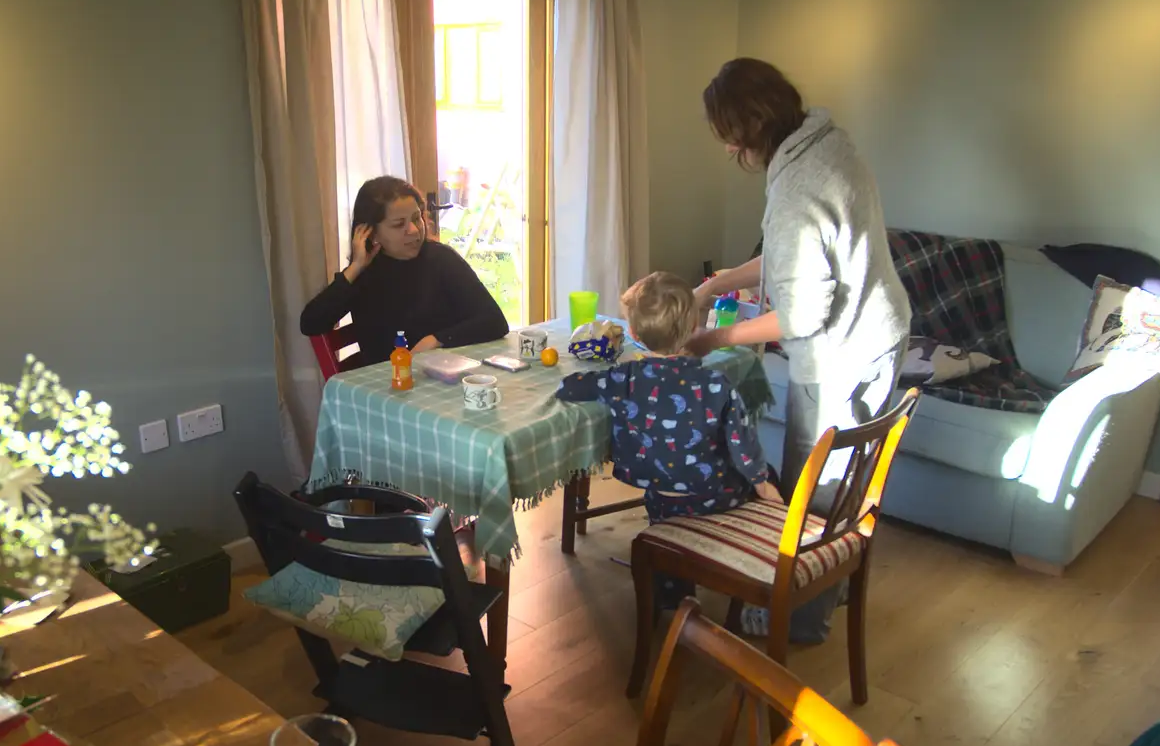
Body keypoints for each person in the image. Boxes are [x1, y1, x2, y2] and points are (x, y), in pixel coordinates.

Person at [689, 58, 911, 641]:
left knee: (819, 487)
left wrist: (713, 337)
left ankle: (798, 617)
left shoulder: (796, 185)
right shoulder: (824, 142)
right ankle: (824, 589)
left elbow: (802, 315)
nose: (731, 149)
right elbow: (791, 256)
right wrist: (715, 284)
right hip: (879, 330)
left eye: (730, 137)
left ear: (749, 128)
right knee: (838, 487)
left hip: (846, 351)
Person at [557, 272, 779, 612]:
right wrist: (763, 485)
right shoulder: (716, 383)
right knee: (773, 477)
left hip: (663, 501)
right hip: (716, 495)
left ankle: (673, 605)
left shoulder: (624, 377)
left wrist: (570, 382)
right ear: (694, 327)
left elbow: (572, 388)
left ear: (632, 333)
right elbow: (742, 445)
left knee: (664, 538)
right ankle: (761, 583)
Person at [300, 176, 509, 367]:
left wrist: (436, 339)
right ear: (371, 233)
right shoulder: (363, 274)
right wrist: (354, 268)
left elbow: (494, 321)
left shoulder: (441, 259)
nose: (414, 230)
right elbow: (310, 323)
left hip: (441, 378)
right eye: (399, 224)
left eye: (416, 218)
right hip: (388, 387)